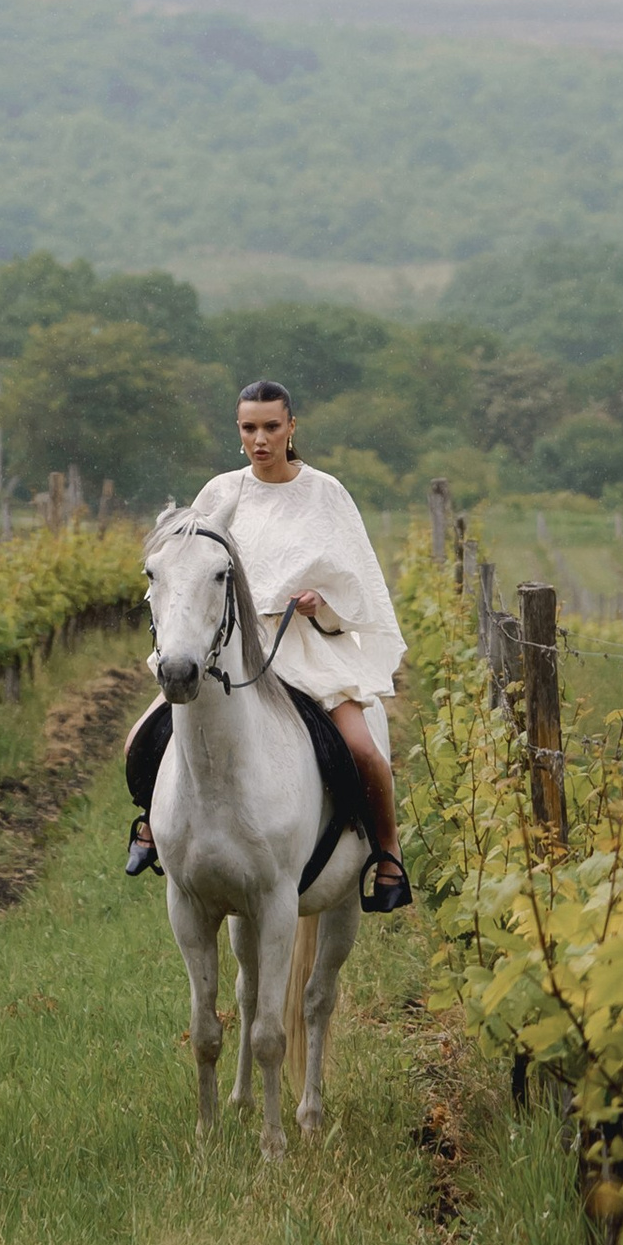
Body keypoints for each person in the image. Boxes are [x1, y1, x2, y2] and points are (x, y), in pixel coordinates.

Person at [126, 377, 413, 911]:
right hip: (230, 646)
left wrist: (319, 603)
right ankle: (153, 823)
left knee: (363, 751)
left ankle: (388, 855)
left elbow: (359, 589)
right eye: (249, 428)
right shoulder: (218, 492)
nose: (260, 439)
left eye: (271, 427)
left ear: (291, 428)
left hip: (303, 645)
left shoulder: (327, 493)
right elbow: (188, 571)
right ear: (239, 431)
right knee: (141, 738)